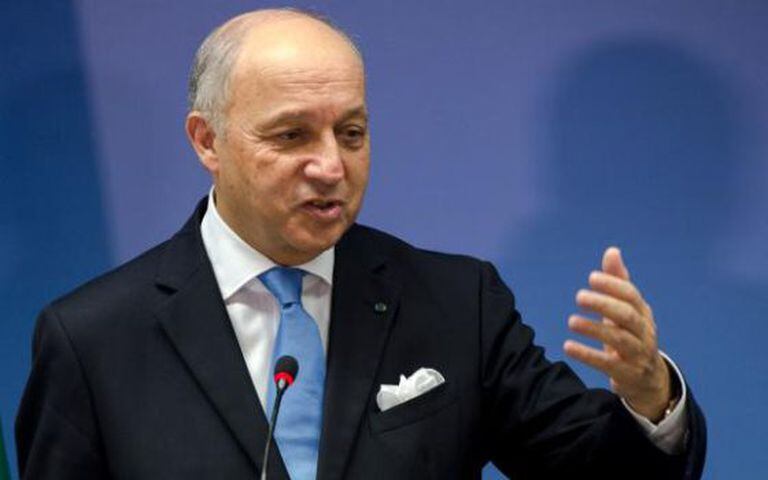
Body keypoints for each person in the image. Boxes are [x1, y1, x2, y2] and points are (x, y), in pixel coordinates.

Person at [15, 9, 705, 479]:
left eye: (351, 133)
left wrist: (650, 397)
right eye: (291, 135)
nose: (331, 166)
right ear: (208, 141)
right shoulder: (93, 341)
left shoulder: (456, 304)